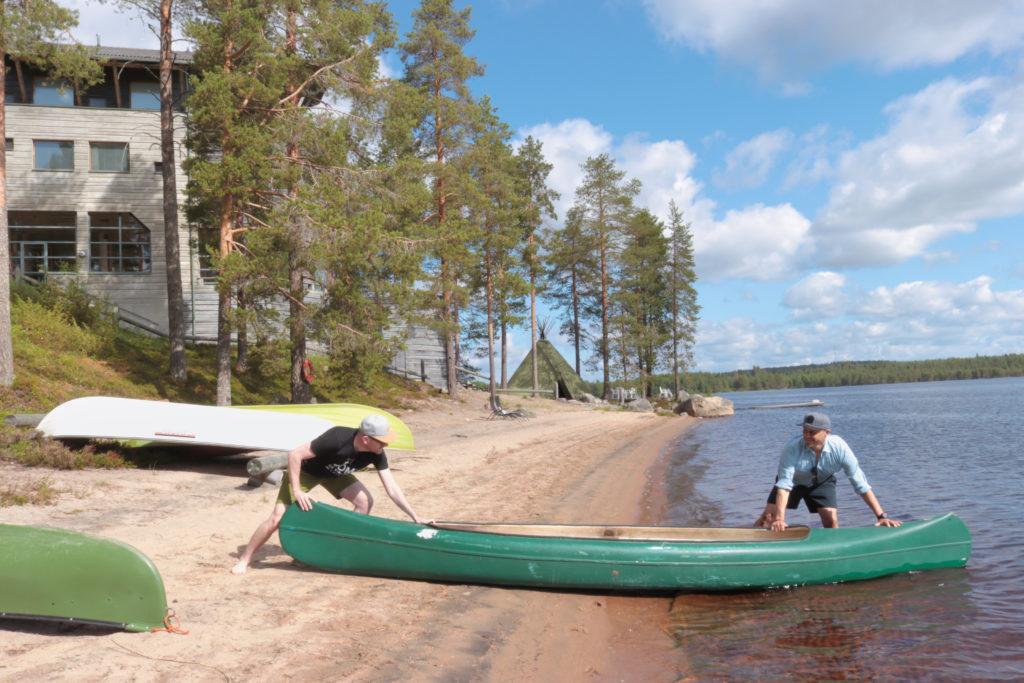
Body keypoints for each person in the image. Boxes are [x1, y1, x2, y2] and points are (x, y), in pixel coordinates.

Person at [231, 414, 428, 574]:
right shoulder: (337, 438)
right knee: (276, 518)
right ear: (366, 439)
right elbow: (295, 455)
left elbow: (391, 487)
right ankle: (245, 559)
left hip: (335, 475)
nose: (385, 445)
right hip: (307, 473)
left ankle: (341, 548)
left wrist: (414, 515)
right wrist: (297, 490)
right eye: (382, 442)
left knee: (365, 501)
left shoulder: (375, 453)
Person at [754, 412, 902, 532]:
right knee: (769, 518)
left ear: (827, 432)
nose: (806, 435)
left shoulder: (840, 449)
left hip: (822, 481)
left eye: (812, 432)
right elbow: (784, 485)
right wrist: (780, 519)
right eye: (804, 431)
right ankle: (750, 539)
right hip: (793, 482)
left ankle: (834, 554)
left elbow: (861, 485)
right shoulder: (792, 448)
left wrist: (881, 516)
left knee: (831, 520)